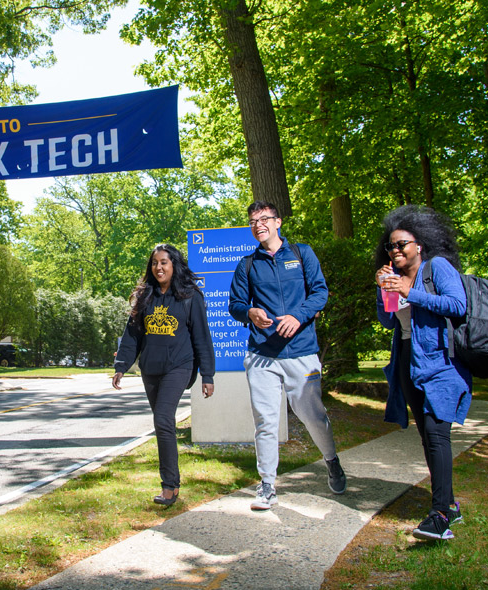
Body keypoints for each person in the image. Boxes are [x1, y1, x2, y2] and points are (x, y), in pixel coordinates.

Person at [228, 200, 346, 511]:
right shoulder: (247, 265)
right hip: (262, 355)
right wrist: (250, 312)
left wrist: (299, 316)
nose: (258, 225)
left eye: (264, 219)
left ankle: (332, 461)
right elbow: (235, 304)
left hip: (301, 353)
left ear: (278, 222)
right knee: (266, 420)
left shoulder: (301, 253)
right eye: (253, 221)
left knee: (312, 416)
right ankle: (267, 485)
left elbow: (320, 292)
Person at [375, 204, 470, 541]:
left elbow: (458, 305)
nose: (396, 250)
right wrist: (384, 290)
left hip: (440, 362)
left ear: (420, 245)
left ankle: (441, 514)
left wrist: (409, 292)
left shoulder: (437, 268)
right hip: (406, 361)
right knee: (427, 437)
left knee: (436, 434)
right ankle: (450, 506)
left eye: (402, 244)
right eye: (391, 246)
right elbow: (388, 320)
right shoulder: (393, 277)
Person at [113, 243, 216, 507]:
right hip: (150, 369)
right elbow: (133, 334)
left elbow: (201, 336)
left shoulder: (190, 296)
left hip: (179, 365)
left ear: (174, 265)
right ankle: (172, 482)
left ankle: (169, 486)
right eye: (155, 263)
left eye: (164, 262)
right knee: (162, 425)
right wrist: (122, 365)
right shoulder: (145, 296)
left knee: (163, 419)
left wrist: (207, 375)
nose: (158, 267)